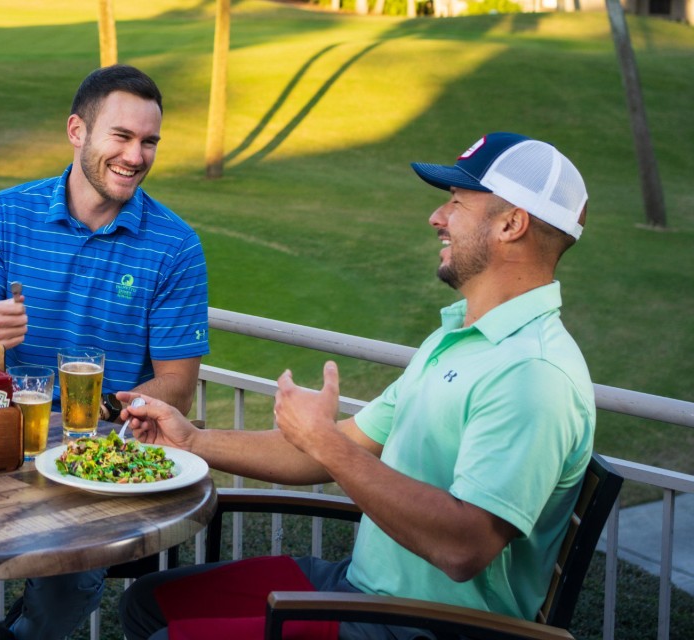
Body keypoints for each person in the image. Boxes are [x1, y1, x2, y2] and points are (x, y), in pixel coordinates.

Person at [118, 132, 596, 640]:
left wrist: (321, 440)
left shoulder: (533, 374)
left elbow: (464, 548)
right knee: (150, 603)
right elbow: (338, 446)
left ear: (511, 224)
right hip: (364, 590)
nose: (437, 217)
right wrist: (192, 441)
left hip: (425, 627)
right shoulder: (460, 338)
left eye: (456, 204)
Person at [0, 64, 211, 639]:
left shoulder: (177, 246)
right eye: (122, 136)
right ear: (76, 131)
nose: (136, 156)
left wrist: (98, 412)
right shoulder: (2, 215)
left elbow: (177, 386)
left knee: (67, 583)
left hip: (96, 464)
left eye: (149, 141)